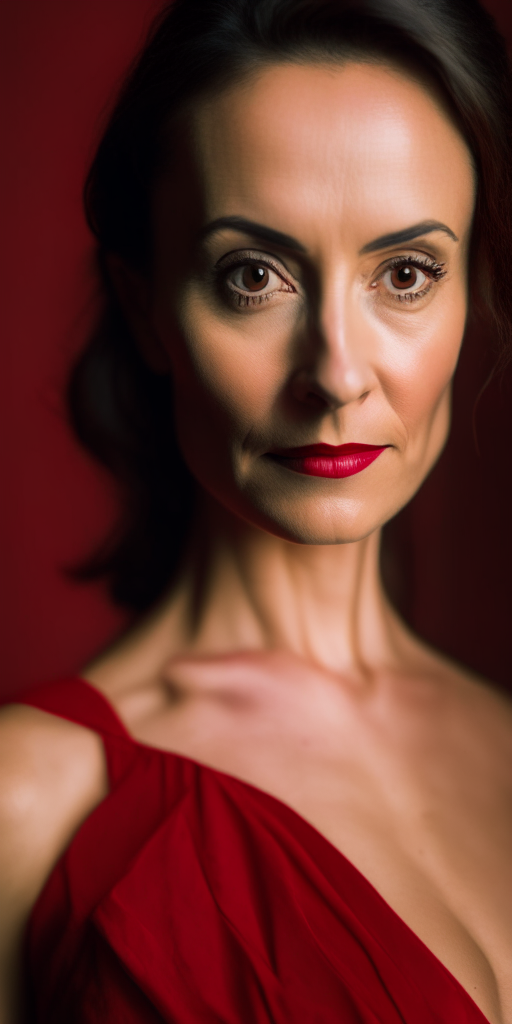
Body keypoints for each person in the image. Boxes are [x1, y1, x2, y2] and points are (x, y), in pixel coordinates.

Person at [1, 0, 511, 1020]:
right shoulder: (29, 805)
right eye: (253, 276)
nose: (332, 375)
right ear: (146, 306)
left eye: (404, 274)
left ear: (471, 292)